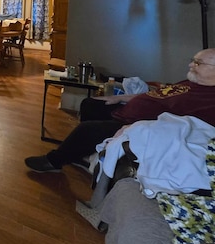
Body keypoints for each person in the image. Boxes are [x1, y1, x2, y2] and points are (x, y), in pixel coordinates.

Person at [25, 48, 215, 173]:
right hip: (126, 111)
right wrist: (118, 98)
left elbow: (187, 127)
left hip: (136, 125)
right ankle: (87, 153)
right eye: (193, 60)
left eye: (198, 63)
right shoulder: (190, 83)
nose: (191, 65)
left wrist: (140, 126)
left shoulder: (209, 100)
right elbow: (155, 95)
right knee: (90, 104)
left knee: (87, 129)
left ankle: (55, 162)